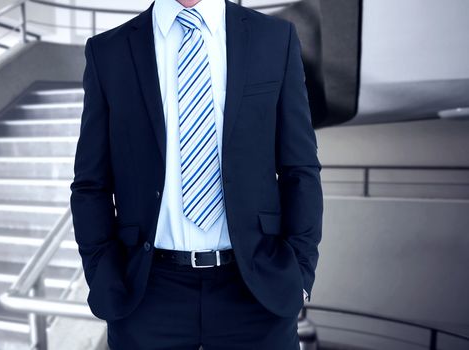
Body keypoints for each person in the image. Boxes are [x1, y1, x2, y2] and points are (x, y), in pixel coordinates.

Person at [71, 0, 323, 348]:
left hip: (256, 289)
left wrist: (301, 271)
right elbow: (91, 183)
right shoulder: (108, 51)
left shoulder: (274, 38)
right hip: (147, 294)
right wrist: (101, 271)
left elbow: (300, 169)